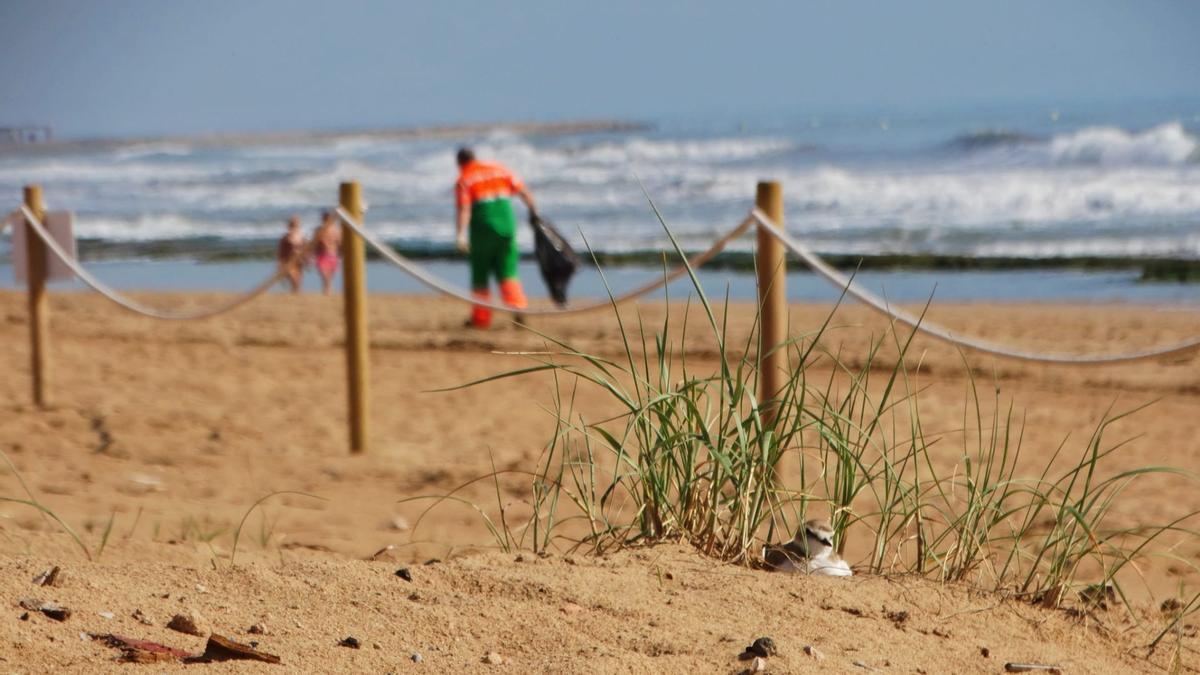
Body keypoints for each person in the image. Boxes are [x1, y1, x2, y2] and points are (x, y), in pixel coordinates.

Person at [454, 147, 536, 328]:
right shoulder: (500, 170)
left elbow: (464, 210)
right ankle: (518, 308)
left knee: (480, 275)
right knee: (508, 272)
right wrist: (534, 214)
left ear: (460, 163)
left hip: (483, 233)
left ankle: (481, 319)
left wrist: (460, 235)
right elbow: (524, 192)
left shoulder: (465, 179)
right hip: (507, 229)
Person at [313, 210, 342, 295]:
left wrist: (341, 255)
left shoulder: (337, 230)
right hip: (322, 255)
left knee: (329, 278)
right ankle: (327, 293)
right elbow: (313, 244)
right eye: (325, 217)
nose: (325, 219)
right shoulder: (319, 230)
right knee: (325, 278)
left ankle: (327, 293)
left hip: (333, 255)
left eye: (327, 217)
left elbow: (340, 244)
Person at [277, 215, 307, 293]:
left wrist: (307, 260)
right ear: (289, 225)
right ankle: (295, 293)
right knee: (294, 279)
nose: (295, 225)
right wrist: (280, 263)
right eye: (293, 223)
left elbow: (306, 249)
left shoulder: (302, 236)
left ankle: (295, 296)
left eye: (296, 223)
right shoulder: (285, 237)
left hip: (299, 262)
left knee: (298, 282)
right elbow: (281, 251)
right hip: (288, 261)